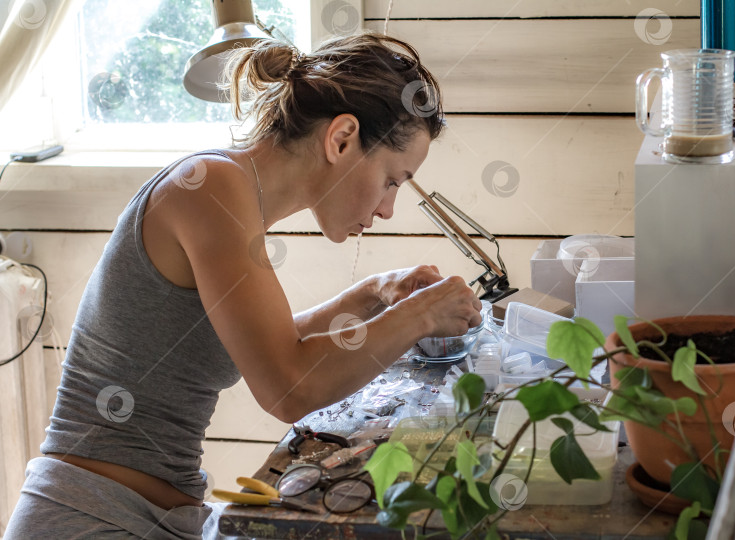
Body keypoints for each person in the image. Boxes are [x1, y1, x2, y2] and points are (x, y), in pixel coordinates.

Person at [4, 33, 482, 538]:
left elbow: (258, 344)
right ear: (341, 139)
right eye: (392, 180)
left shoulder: (228, 193)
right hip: (89, 518)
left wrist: (373, 294)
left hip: (155, 517)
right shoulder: (208, 186)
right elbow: (288, 386)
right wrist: (420, 315)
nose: (387, 209)